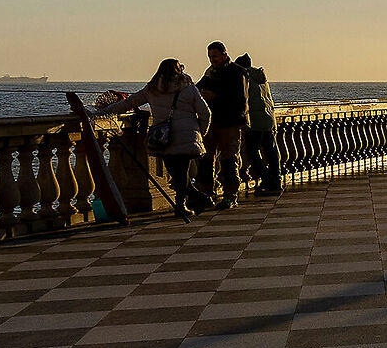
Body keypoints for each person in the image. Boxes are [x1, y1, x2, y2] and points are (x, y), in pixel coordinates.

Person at [94, 58, 214, 220]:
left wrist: (102, 111)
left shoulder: (152, 89)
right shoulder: (189, 88)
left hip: (164, 138)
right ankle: (195, 200)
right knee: (181, 174)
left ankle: (183, 205)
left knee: (177, 174)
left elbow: (128, 103)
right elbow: (205, 113)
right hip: (188, 137)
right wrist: (201, 132)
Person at [195, 42, 249, 208]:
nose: (212, 60)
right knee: (206, 158)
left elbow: (241, 101)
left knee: (229, 159)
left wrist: (215, 97)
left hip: (230, 123)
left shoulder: (238, 72)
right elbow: (196, 89)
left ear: (225, 55)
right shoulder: (210, 72)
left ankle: (230, 195)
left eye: (215, 56)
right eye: (210, 57)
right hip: (212, 122)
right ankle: (206, 192)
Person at [236, 54, 281, 196]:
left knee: (252, 153)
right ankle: (276, 180)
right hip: (269, 119)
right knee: (271, 152)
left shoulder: (246, 78)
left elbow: (242, 100)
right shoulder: (261, 78)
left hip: (255, 121)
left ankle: (267, 179)